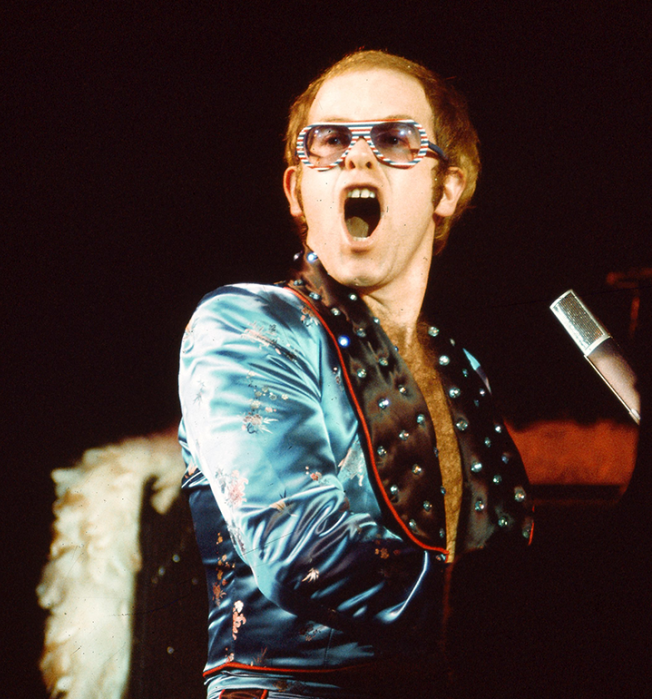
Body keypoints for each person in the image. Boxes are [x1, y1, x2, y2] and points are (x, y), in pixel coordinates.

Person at [178, 50, 534, 699]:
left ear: (446, 189)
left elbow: (506, 546)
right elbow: (302, 554)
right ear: (297, 190)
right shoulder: (246, 325)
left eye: (397, 139)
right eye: (331, 139)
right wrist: (545, 609)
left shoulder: (462, 368)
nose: (358, 157)